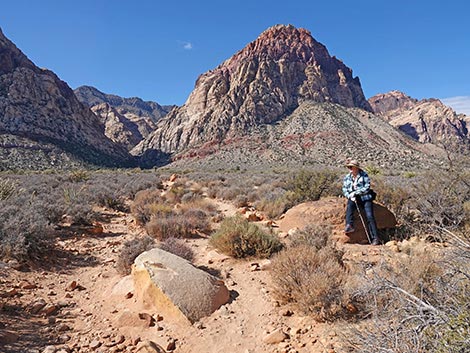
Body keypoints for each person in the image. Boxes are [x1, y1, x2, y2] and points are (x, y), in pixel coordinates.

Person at [342, 160, 381, 245]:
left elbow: (366, 188)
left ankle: (375, 238)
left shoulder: (364, 175)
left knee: (369, 216)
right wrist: (349, 195)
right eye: (349, 167)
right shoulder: (347, 177)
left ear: (356, 168)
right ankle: (349, 225)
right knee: (350, 206)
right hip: (353, 198)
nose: (350, 169)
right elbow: (344, 189)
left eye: (351, 167)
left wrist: (355, 193)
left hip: (365, 198)